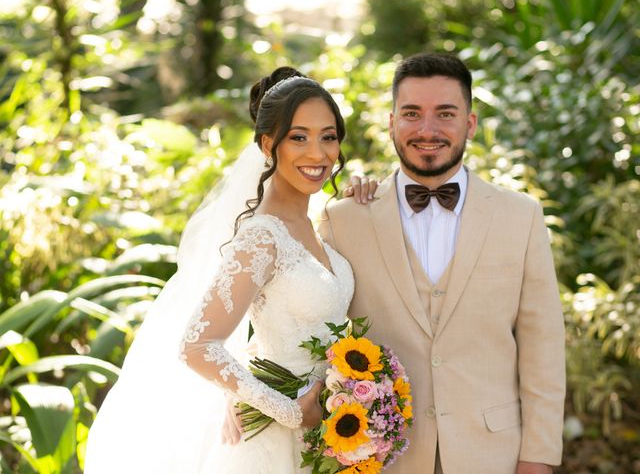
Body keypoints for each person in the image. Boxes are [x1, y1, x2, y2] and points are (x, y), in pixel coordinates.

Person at [84, 68, 354, 473]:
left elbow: (275, 320)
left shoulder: (316, 226)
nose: (317, 154)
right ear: (268, 144)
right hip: (276, 445)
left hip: (331, 440)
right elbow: (197, 345)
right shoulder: (263, 237)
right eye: (299, 137)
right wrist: (291, 411)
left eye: (327, 136)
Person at [317, 53, 566, 473]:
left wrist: (538, 457)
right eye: (412, 114)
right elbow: (318, 332)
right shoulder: (343, 220)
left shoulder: (520, 216)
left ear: (469, 124)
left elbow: (543, 348)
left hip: (494, 456)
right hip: (382, 459)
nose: (427, 130)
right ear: (392, 122)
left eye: (445, 114)